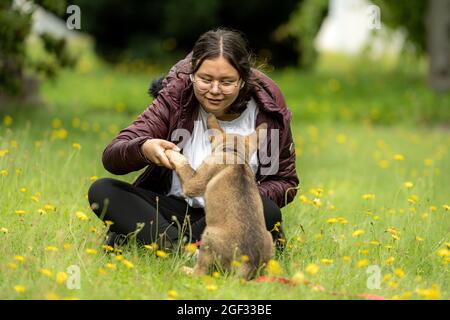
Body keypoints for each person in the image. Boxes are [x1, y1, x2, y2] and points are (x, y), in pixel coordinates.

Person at [88, 28, 299, 250]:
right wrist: (144, 147)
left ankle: (164, 243)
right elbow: (113, 155)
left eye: (227, 82)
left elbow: (285, 182)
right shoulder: (176, 97)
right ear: (192, 74)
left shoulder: (268, 113)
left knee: (267, 210)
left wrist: (239, 197)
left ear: (243, 81)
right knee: (103, 190)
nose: (214, 90)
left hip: (231, 215)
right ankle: (185, 247)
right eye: (205, 79)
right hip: (175, 209)